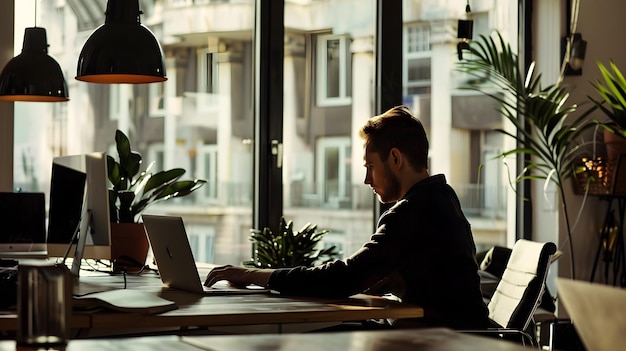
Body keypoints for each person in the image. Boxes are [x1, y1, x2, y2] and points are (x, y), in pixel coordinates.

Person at [204, 105, 489, 329]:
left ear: (395, 159)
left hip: (443, 340)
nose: (366, 179)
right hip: (455, 333)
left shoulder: (413, 212)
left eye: (370, 166)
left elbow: (345, 277)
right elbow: (377, 273)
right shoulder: (441, 197)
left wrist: (252, 274)